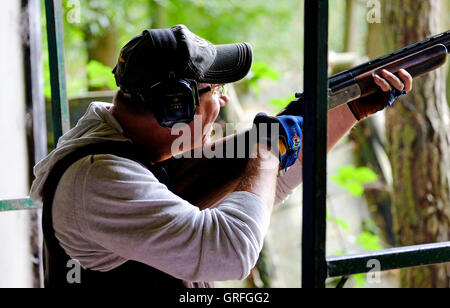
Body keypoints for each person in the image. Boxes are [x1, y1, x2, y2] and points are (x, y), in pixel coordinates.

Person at [30, 25, 413, 288]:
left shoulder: (128, 148)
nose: (225, 99)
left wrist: (351, 108)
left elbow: (265, 187)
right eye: (216, 89)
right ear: (175, 106)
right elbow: (232, 251)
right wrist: (265, 149)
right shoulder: (101, 180)